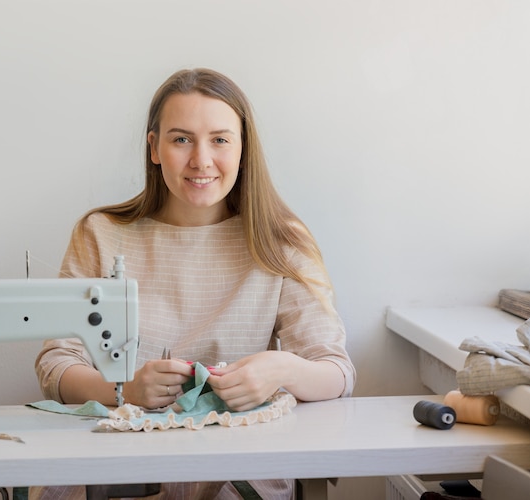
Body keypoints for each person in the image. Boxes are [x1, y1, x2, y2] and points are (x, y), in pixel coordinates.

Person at [32, 68, 355, 500]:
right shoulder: (101, 233)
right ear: (154, 148)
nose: (201, 160)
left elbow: (336, 371)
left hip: (237, 462)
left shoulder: (281, 242)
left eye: (220, 140)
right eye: (181, 139)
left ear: (243, 148)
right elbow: (56, 366)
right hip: (116, 457)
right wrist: (124, 389)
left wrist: (280, 370)